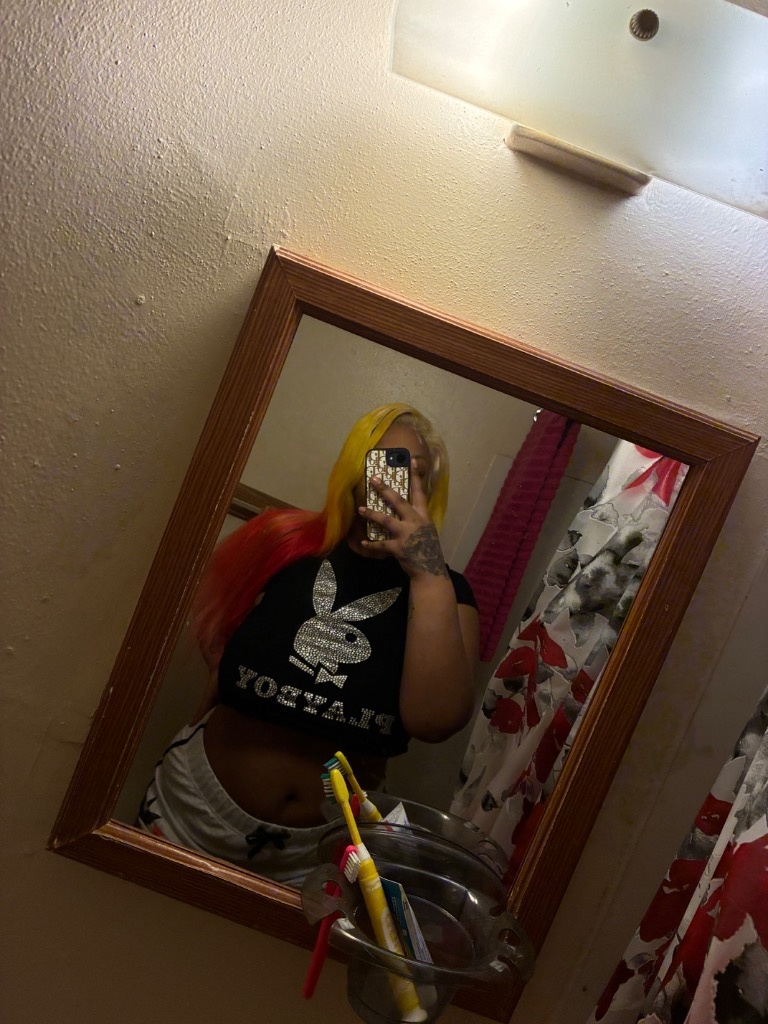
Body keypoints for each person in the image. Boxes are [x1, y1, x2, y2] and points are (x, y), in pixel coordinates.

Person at [137, 403, 479, 884]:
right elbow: (222, 642)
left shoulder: (446, 591)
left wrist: (426, 571)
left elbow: (435, 720)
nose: (393, 483)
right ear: (354, 466)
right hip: (194, 805)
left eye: (413, 472)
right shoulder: (284, 539)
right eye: (384, 462)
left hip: (320, 849)